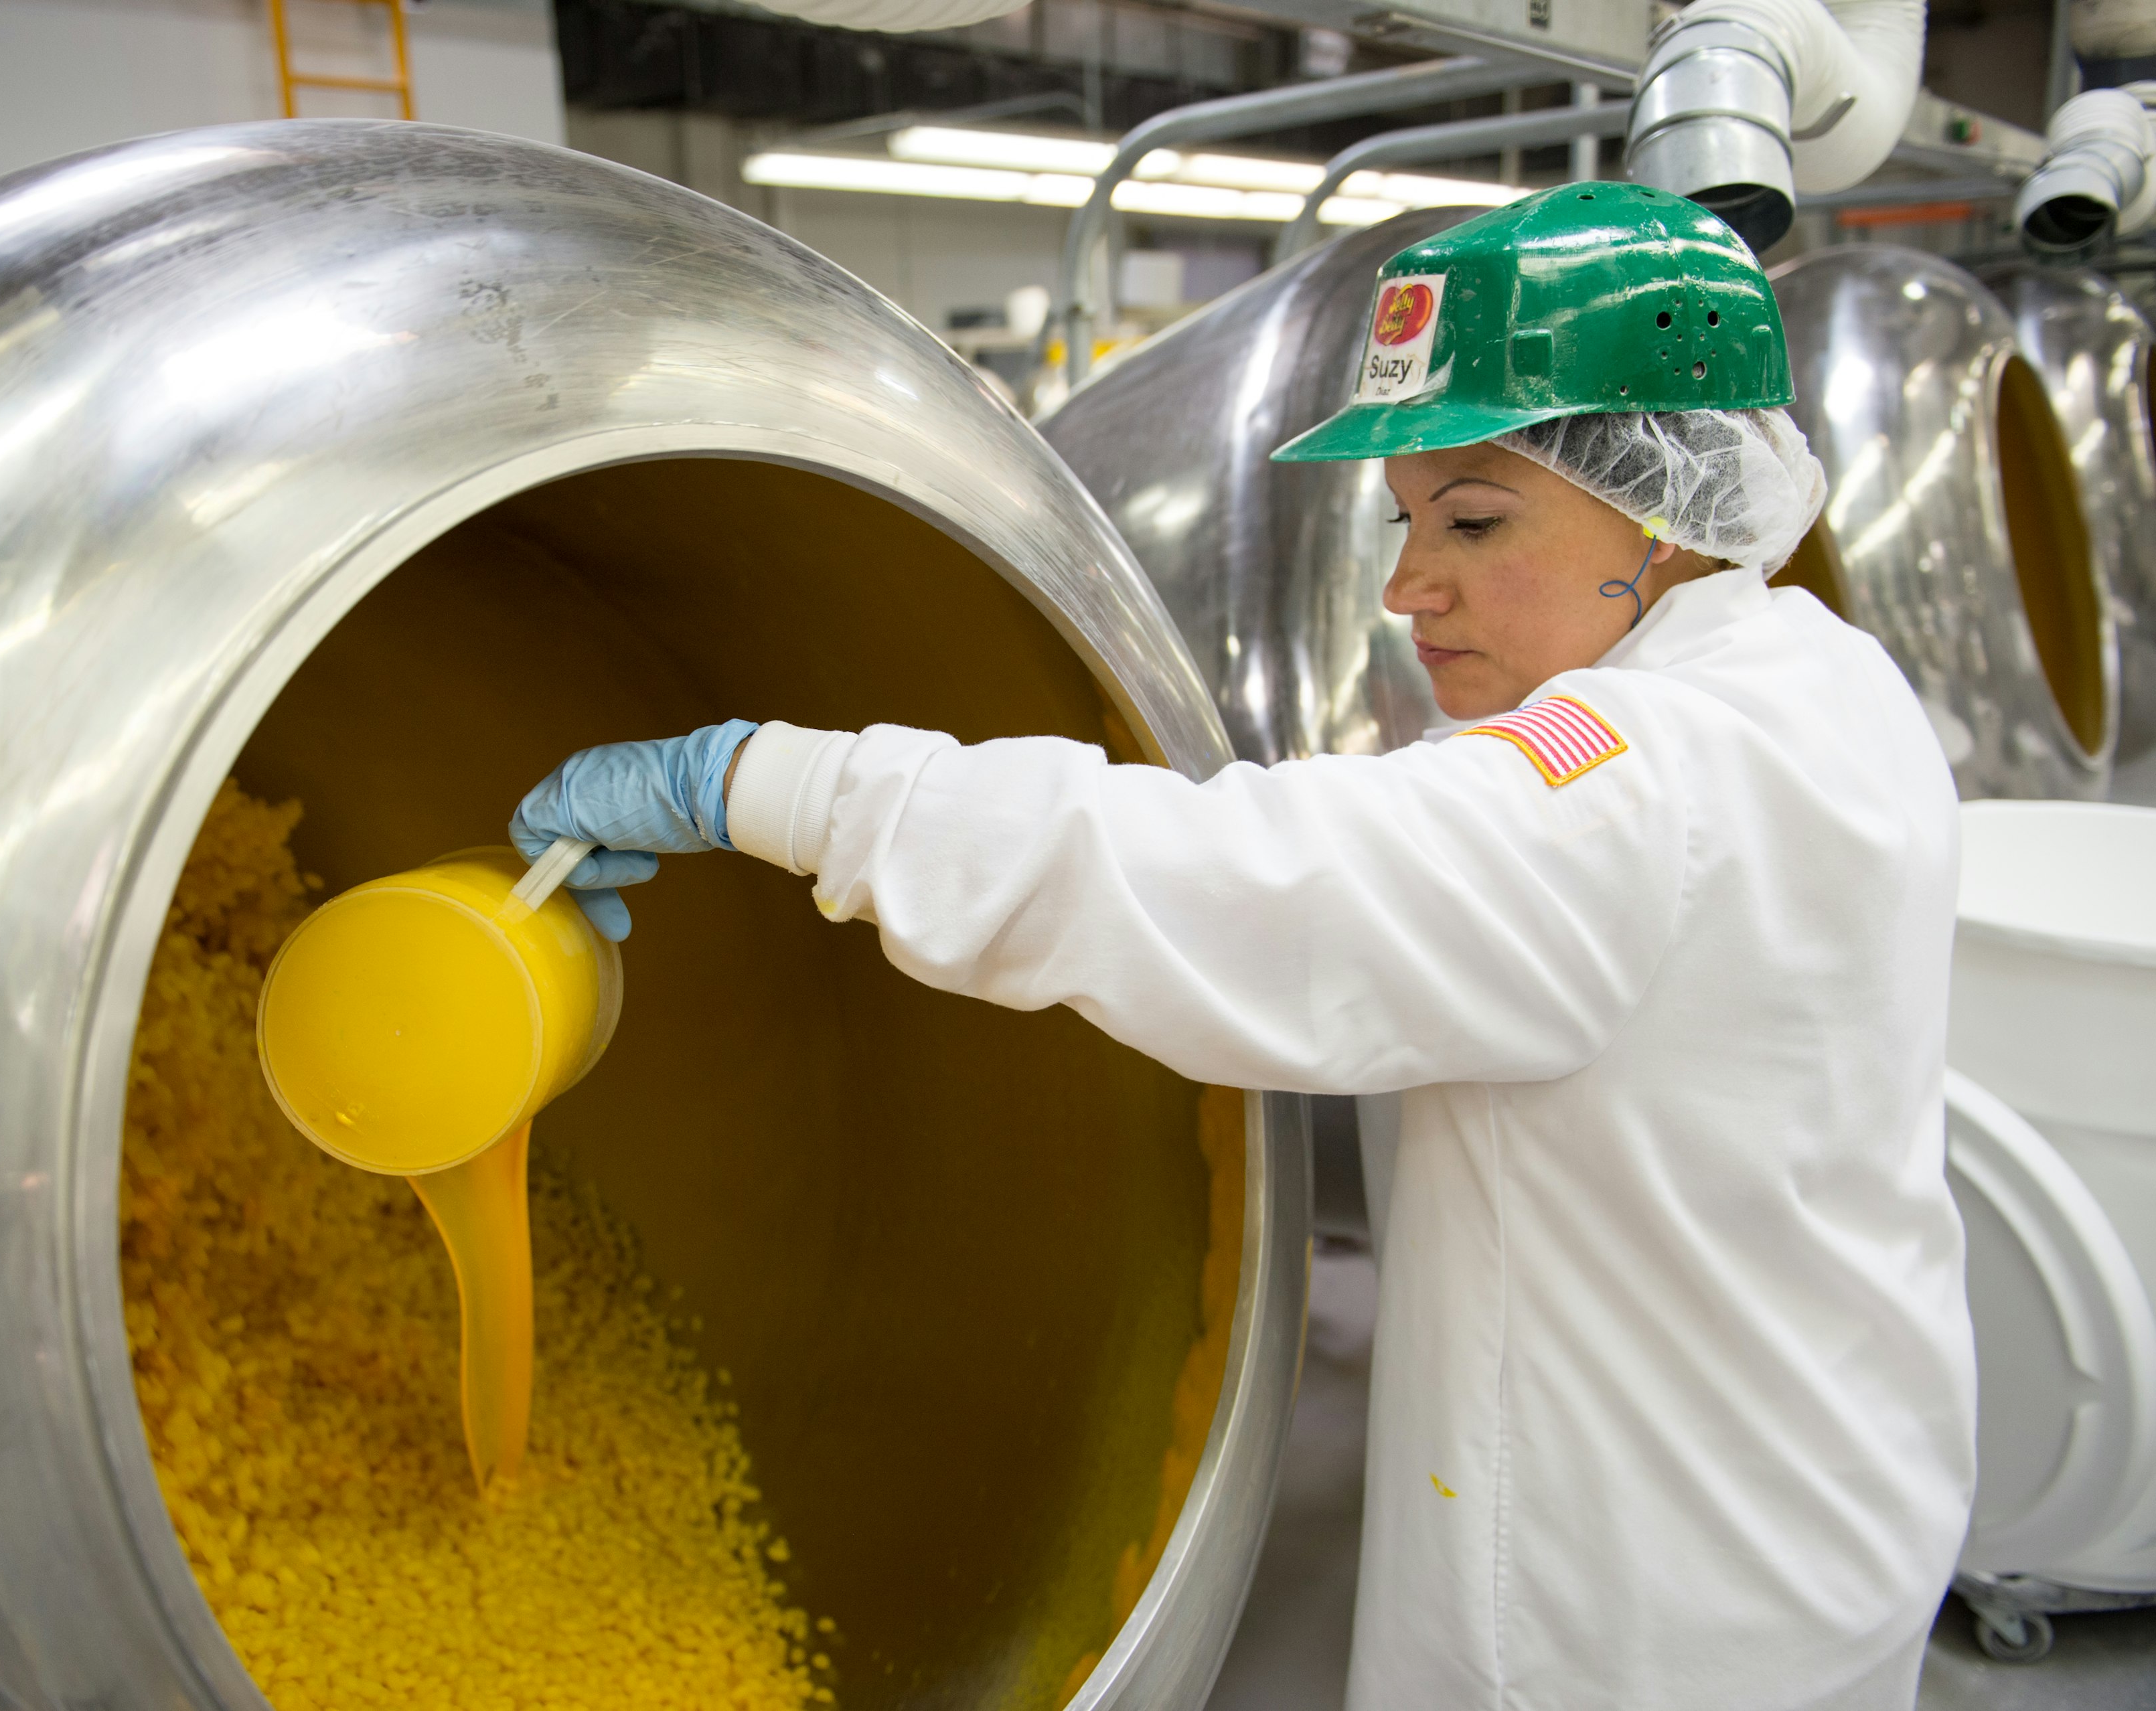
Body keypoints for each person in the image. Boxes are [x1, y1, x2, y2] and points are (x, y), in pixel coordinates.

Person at [506, 187, 1977, 1710]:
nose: (1410, 588)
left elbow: (1236, 889)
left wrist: (765, 782)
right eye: (1407, 522)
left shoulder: (1630, 789)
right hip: (1836, 1492)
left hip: (1649, 1616)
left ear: (1665, 510)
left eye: (1475, 520)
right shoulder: (1826, 684)